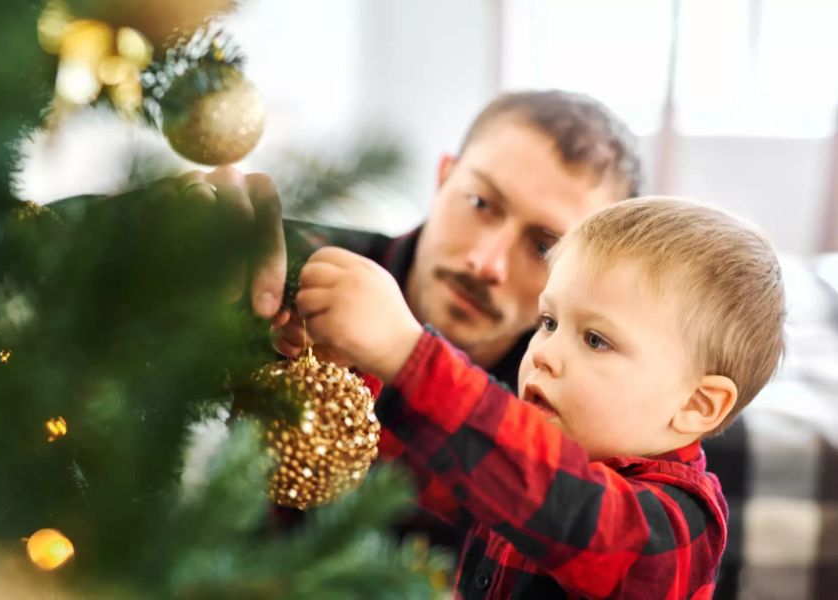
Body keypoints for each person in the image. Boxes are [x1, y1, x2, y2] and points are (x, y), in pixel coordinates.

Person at [279, 197, 785, 598]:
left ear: (697, 405)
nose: (543, 354)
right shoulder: (516, 472)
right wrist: (350, 368)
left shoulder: (672, 530)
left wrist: (408, 354)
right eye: (549, 322)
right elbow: (436, 462)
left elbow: (559, 501)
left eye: (595, 340)